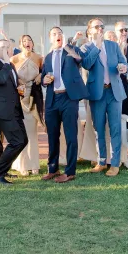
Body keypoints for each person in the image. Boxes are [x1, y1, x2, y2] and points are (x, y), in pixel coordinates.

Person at [79, 18, 127, 176]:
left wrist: (122, 67)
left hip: (114, 92)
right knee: (98, 128)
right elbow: (86, 64)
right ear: (90, 30)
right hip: (97, 94)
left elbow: (123, 63)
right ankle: (101, 161)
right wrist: (97, 46)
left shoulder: (113, 45)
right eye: (96, 26)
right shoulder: (85, 47)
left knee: (115, 128)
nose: (100, 29)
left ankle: (115, 163)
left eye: (102, 26)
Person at [41, 26, 88, 183]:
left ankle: (70, 171)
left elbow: (80, 60)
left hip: (69, 98)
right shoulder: (47, 58)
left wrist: (68, 45)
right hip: (52, 100)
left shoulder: (71, 51)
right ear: (50, 39)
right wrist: (44, 80)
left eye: (60, 33)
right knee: (52, 136)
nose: (57, 35)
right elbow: (43, 78)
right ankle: (53, 169)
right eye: (54, 34)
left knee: (70, 136)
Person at [0, 38, 28, 185]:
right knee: (16, 141)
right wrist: (5, 63)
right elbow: (0, 80)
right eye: (2, 47)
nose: (6, 50)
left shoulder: (10, 64)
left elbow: (11, 84)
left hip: (15, 109)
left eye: (8, 47)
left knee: (23, 140)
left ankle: (2, 171)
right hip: (2, 110)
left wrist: (20, 90)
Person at [11, 35, 43, 176]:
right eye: (24, 41)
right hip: (20, 98)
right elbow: (11, 77)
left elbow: (45, 73)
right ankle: (22, 164)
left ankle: (34, 164)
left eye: (29, 40)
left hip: (34, 97)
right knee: (21, 132)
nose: (27, 43)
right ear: (20, 44)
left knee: (32, 132)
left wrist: (40, 76)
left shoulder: (39, 58)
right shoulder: (14, 59)